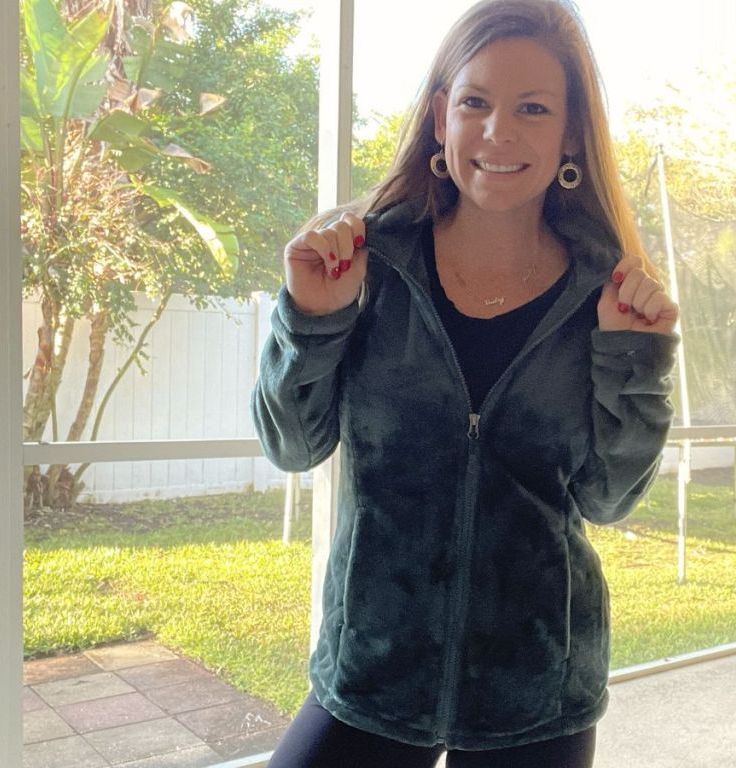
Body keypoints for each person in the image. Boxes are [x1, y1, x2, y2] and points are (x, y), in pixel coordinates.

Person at [252, 1, 679, 765]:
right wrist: (311, 319)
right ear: (441, 115)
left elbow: (607, 499)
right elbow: (292, 446)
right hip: (372, 673)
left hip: (537, 693)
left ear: (571, 133)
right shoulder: (368, 265)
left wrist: (635, 363)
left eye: (533, 108)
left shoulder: (604, 296)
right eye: (476, 102)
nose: (498, 132)